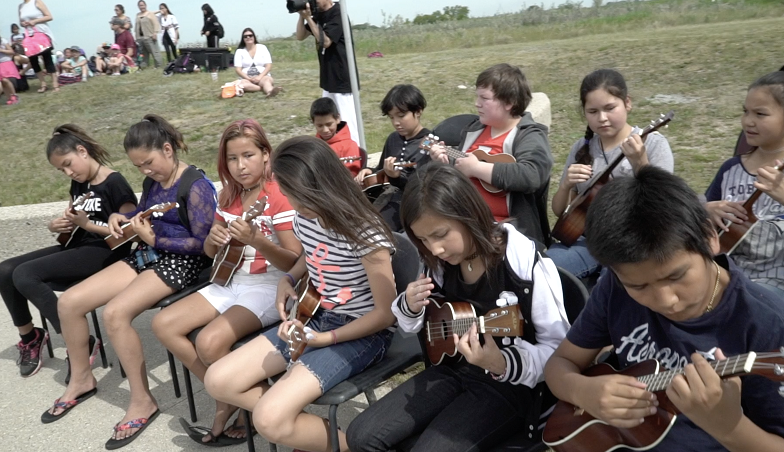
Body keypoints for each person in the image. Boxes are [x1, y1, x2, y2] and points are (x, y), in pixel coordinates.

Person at [544, 166, 784, 451]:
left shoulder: (767, 323)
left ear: (709, 236)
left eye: (676, 276)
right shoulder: (615, 286)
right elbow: (559, 365)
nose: (666, 300)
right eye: (640, 287)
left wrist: (729, 427)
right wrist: (584, 392)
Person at [345, 162, 569, 451]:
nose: (434, 248)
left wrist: (501, 363)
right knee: (360, 436)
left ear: (468, 214)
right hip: (451, 370)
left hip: (510, 387)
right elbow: (416, 323)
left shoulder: (525, 263)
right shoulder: (437, 262)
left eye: (440, 234)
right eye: (423, 239)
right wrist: (410, 306)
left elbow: (560, 353)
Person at [204, 136, 396, 451]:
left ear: (320, 186)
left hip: (363, 334)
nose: (292, 203)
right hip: (315, 317)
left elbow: (385, 314)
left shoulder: (365, 231)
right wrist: (289, 278)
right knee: (218, 381)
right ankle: (307, 430)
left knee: (268, 421)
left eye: (296, 194)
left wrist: (325, 340)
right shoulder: (306, 216)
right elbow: (312, 254)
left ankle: (358, 446)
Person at [42, 115, 217, 451]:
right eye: (139, 167)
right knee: (69, 302)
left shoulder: (194, 186)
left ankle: (142, 401)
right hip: (149, 252)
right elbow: (144, 213)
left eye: (149, 163)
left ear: (168, 149)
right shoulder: (154, 182)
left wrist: (157, 239)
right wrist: (120, 218)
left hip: (184, 262)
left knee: (114, 314)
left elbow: (205, 244)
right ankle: (81, 379)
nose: (146, 172)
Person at [154, 119, 302, 445]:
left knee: (208, 342)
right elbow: (210, 253)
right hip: (230, 279)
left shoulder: (279, 196)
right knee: (164, 323)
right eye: (232, 159)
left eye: (248, 155)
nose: (240, 166)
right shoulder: (228, 196)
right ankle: (231, 397)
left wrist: (259, 241)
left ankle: (229, 405)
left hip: (270, 285)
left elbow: (295, 264)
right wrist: (213, 238)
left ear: (266, 154)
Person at [0, 125, 137, 378]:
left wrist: (88, 225)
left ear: (82, 151)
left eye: (69, 164)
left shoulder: (115, 183)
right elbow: (74, 216)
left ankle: (79, 342)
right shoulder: (78, 183)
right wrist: (57, 224)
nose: (69, 172)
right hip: (78, 246)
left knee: (25, 275)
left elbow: (128, 233)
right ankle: (30, 337)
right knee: (4, 271)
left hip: (106, 252)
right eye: (62, 170)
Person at [547, 69, 674, 279]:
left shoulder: (652, 143)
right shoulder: (582, 147)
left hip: (632, 244)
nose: (602, 118)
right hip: (587, 241)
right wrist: (566, 186)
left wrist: (641, 162)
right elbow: (560, 210)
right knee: (545, 270)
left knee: (609, 287)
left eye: (610, 108)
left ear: (627, 103)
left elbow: (664, 206)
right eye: (593, 111)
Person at [427, 64, 553, 248]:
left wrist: (478, 168)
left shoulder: (528, 135)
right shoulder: (473, 131)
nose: (477, 103)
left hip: (509, 231)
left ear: (509, 102)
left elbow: (532, 175)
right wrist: (442, 163)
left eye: (484, 98)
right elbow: (459, 169)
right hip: (465, 222)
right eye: (477, 96)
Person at [706, 70, 784, 298]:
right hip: (722, 275)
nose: (748, 121)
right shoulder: (731, 168)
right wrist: (706, 210)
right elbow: (700, 225)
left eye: (760, 114)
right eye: (745, 112)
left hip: (774, 285)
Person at [354, 84, 432, 232]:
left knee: (375, 230)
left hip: (412, 203)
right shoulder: (393, 138)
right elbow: (380, 170)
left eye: (401, 116)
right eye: (391, 117)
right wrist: (369, 172)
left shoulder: (429, 142)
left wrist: (396, 178)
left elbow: (423, 186)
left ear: (418, 111)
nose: (396, 122)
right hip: (388, 196)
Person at [295, 0, 360, 145]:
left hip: (343, 78)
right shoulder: (318, 14)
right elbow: (300, 36)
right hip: (328, 80)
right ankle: (334, 154)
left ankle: (358, 156)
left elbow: (326, 41)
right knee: (327, 120)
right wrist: (301, 15)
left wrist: (308, 19)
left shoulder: (338, 12)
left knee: (348, 123)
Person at [310, 97, 361, 176]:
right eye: (320, 126)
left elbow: (351, 176)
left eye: (329, 124)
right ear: (313, 122)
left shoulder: (349, 146)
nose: (325, 130)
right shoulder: (312, 145)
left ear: (337, 119)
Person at [19, 0, 58, 93]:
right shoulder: (21, 6)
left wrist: (35, 21)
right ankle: (43, 84)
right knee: (33, 61)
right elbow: (20, 22)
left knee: (47, 58)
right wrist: (23, 24)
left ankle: (55, 85)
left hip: (41, 33)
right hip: (29, 36)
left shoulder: (37, 2)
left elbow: (49, 16)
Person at [233, 27, 283, 97]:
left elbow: (268, 65)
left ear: (254, 37)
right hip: (247, 79)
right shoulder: (239, 51)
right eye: (245, 36)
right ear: (243, 39)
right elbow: (238, 69)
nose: (248, 37)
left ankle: (270, 92)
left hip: (262, 76)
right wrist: (248, 78)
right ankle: (260, 88)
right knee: (243, 85)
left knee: (267, 81)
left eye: (250, 35)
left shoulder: (262, 48)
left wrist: (259, 77)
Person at [135, 0, 162, 69]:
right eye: (140, 5)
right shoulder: (138, 15)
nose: (141, 7)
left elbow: (156, 23)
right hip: (140, 37)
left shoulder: (150, 14)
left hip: (149, 36)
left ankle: (158, 65)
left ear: (145, 5)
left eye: (142, 5)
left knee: (154, 51)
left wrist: (155, 32)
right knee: (142, 54)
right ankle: (143, 66)